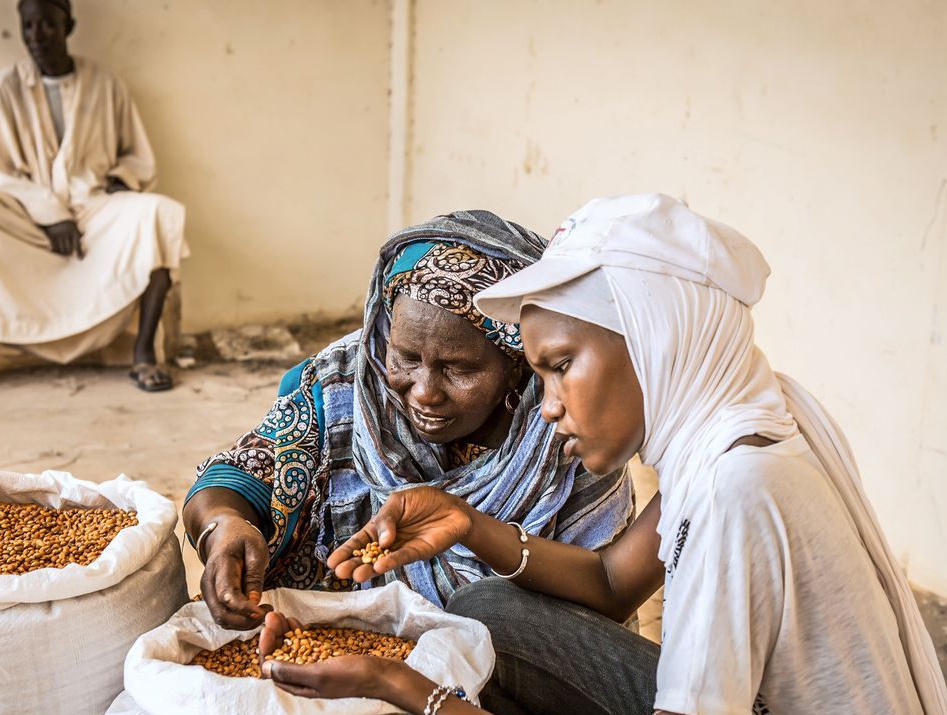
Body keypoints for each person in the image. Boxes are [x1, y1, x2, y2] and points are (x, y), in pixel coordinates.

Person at [260, 195, 947, 715]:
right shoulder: (744, 416)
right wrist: (473, 527)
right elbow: (615, 581)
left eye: (560, 368)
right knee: (495, 614)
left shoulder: (735, 494)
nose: (547, 408)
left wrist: (414, 694)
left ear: (657, 339)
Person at [183, 209, 643, 628]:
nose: (423, 392)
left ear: (516, 364)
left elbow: (599, 599)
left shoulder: (571, 426)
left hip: (507, 668)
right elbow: (246, 471)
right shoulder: (348, 381)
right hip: (345, 641)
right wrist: (224, 525)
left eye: (458, 369)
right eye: (405, 357)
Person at [0, 0, 187, 396]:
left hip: (93, 206)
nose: (36, 35)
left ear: (68, 26)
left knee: (161, 215)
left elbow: (138, 155)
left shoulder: (105, 84)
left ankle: (144, 353)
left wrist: (122, 177)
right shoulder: (4, 88)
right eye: (28, 26)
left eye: (47, 25)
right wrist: (49, 213)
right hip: (26, 213)